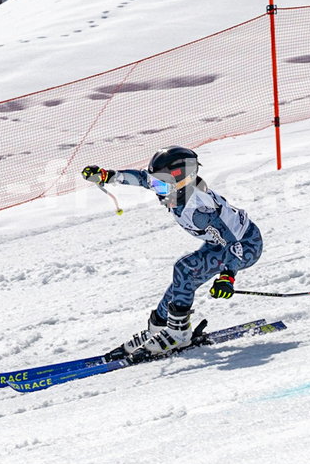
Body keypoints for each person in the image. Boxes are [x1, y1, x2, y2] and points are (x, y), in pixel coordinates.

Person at [82, 146, 262, 358]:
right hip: (219, 244)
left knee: (185, 269)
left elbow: (232, 245)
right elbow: (142, 179)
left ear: (182, 177)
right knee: (182, 282)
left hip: (245, 246)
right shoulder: (174, 189)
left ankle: (178, 334)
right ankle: (158, 329)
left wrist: (227, 276)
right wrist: (108, 176)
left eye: (163, 180)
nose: (157, 185)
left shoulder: (199, 209)